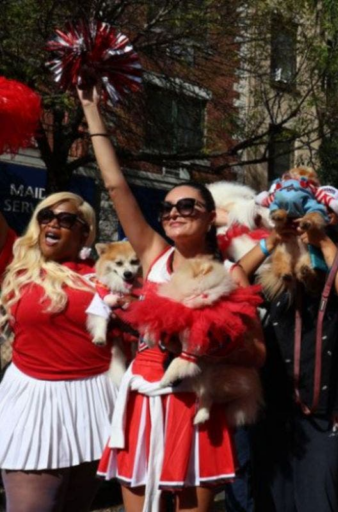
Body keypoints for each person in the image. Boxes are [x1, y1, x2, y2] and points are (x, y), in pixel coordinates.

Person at [77, 85, 265, 512]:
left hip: (195, 400)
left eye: (187, 206)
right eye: (167, 208)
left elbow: (257, 353)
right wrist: (91, 110)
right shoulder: (154, 256)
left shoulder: (232, 275)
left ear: (209, 217)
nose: (174, 213)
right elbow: (114, 183)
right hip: (144, 394)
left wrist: (210, 338)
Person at [237, 214, 338, 512]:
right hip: (275, 417)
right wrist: (272, 241)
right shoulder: (277, 293)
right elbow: (236, 275)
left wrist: (324, 241)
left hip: (323, 419)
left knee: (320, 503)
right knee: (274, 503)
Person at [0, 193, 116, 512]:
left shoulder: (105, 275)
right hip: (33, 403)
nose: (53, 223)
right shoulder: (17, 265)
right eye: (46, 215)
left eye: (66, 219)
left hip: (94, 403)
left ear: (84, 232)